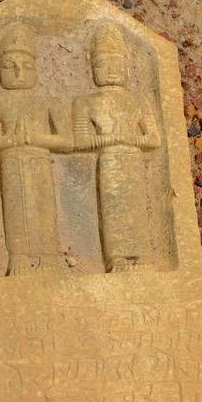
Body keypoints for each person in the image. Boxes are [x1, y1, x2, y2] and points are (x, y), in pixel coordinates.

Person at [0, 22, 70, 275]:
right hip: (11, 160)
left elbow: (67, 140)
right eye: (10, 67)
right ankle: (17, 259)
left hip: (40, 160)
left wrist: (38, 138)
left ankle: (49, 261)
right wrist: (12, 140)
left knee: (44, 208)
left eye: (26, 66)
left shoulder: (47, 101)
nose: (19, 73)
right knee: (15, 209)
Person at [73, 22, 161, 272]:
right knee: (113, 210)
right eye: (103, 64)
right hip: (109, 160)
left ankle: (142, 258)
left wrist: (130, 139)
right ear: (92, 68)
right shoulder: (86, 102)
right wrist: (110, 139)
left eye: (117, 64)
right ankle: (117, 260)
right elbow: (80, 142)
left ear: (127, 67)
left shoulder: (139, 100)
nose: (111, 71)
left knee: (137, 210)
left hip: (132, 160)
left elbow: (153, 139)